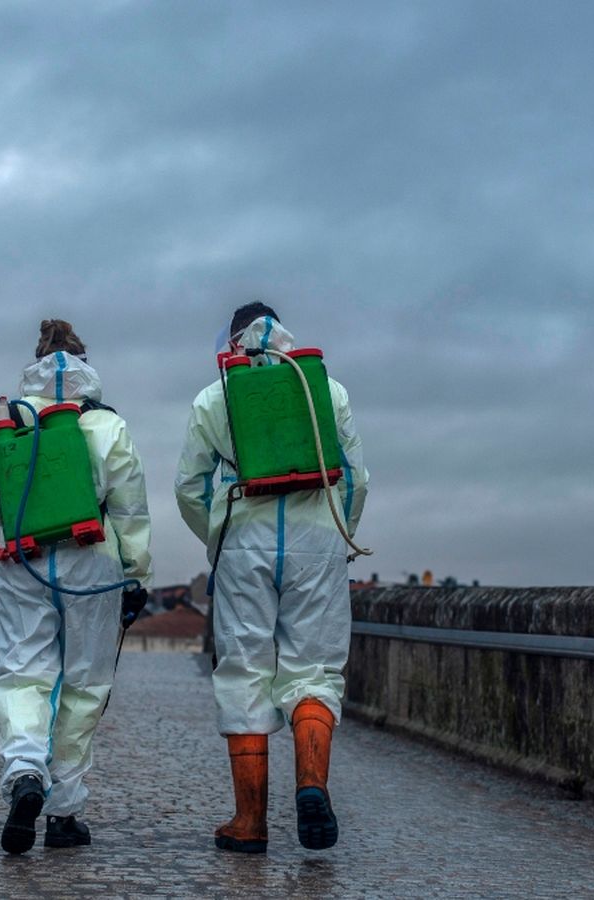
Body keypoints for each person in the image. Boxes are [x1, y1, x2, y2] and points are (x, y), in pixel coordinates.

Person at [174, 302, 369, 853]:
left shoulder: (215, 396)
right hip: (317, 542)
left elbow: (189, 487)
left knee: (243, 672)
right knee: (315, 669)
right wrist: (340, 536)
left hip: (244, 542)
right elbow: (356, 478)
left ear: (233, 341)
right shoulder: (327, 390)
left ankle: (250, 823)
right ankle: (310, 787)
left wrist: (219, 541)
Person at [0, 319, 154, 855]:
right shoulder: (108, 426)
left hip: (25, 560)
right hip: (94, 562)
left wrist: (15, 513)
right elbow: (130, 509)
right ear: (86, 363)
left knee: (24, 675)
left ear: (35, 364)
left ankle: (25, 772)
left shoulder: (6, 422)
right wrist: (137, 575)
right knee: (83, 684)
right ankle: (63, 815)